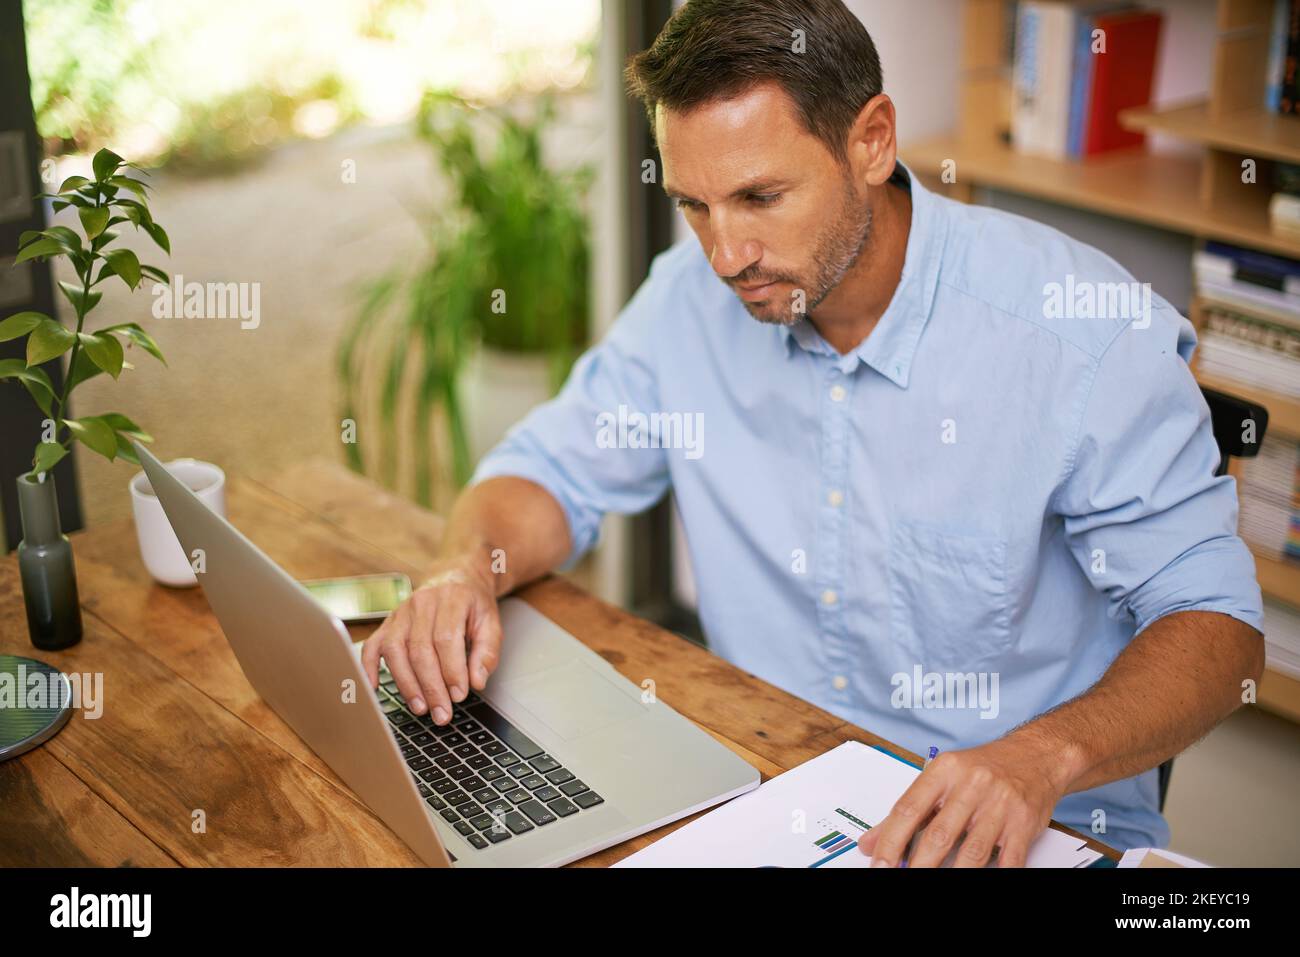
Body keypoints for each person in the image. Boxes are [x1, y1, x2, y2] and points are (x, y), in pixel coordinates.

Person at [362, 0, 1264, 865]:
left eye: (760, 196)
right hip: (762, 793)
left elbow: (1219, 630)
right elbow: (549, 473)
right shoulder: (689, 297)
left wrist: (1039, 758)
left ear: (872, 140)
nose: (725, 256)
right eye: (694, 204)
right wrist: (459, 568)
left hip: (1034, 825)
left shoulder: (1082, 337)